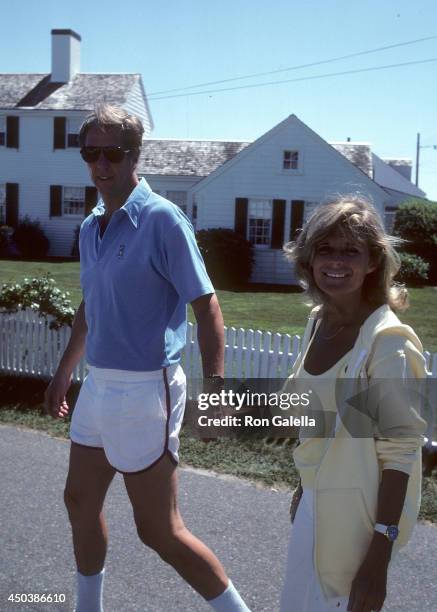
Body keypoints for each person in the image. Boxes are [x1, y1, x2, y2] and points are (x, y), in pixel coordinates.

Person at [44, 104, 251, 612]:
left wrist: (217, 390)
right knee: (79, 501)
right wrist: (65, 373)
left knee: (159, 531)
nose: (100, 165)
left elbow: (207, 306)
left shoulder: (161, 219)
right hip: (98, 386)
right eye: (90, 153)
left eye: (111, 154)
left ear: (134, 155)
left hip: (145, 388)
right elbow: (92, 306)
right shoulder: (92, 225)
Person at [279, 196, 427, 612]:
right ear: (308, 259)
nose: (336, 261)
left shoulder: (388, 342)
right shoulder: (317, 321)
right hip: (315, 504)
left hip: (358, 524)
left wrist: (378, 555)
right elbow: (321, 420)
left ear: (373, 262)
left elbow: (400, 453)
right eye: (325, 249)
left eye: (351, 251)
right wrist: (307, 482)